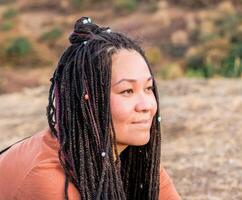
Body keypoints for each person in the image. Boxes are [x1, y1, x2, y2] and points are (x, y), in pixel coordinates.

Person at [0, 17, 181, 200]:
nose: (146, 106)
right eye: (127, 91)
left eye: (148, 88)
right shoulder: (50, 179)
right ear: (88, 98)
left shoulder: (133, 155)